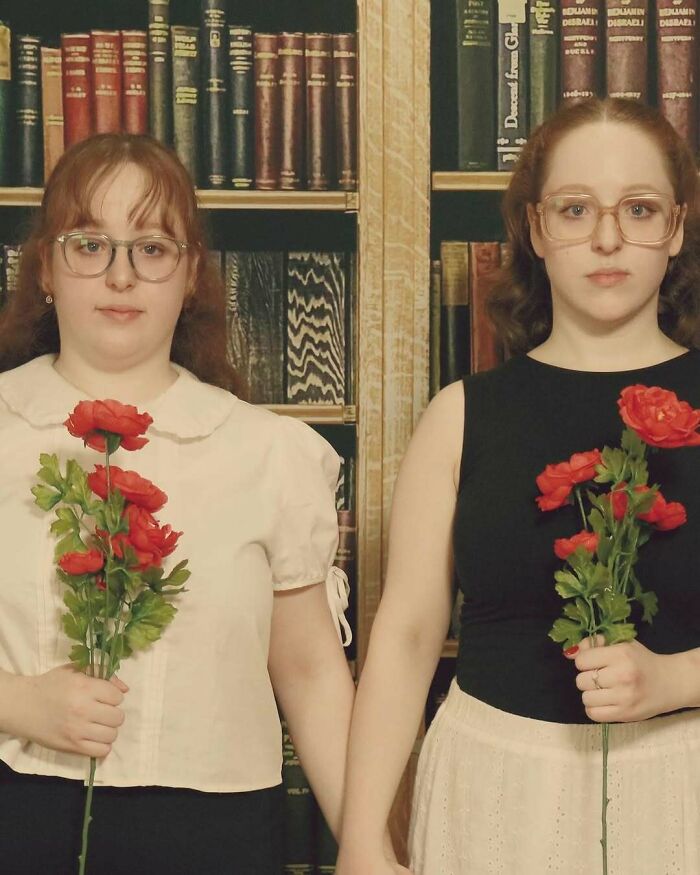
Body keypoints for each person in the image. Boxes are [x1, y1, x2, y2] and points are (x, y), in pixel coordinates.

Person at [335, 97, 700, 875]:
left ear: (675, 226)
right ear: (536, 230)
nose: (607, 238)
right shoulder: (460, 416)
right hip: (489, 786)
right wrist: (364, 836)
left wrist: (674, 676)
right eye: (576, 209)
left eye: (638, 208)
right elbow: (404, 636)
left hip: (682, 783)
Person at [0, 133, 356, 874]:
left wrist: (373, 846)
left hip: (217, 832)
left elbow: (311, 673)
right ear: (44, 268)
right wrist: (16, 704)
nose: (121, 275)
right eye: (90, 244)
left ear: (191, 273)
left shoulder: (267, 454)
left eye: (152, 248)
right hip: (19, 809)